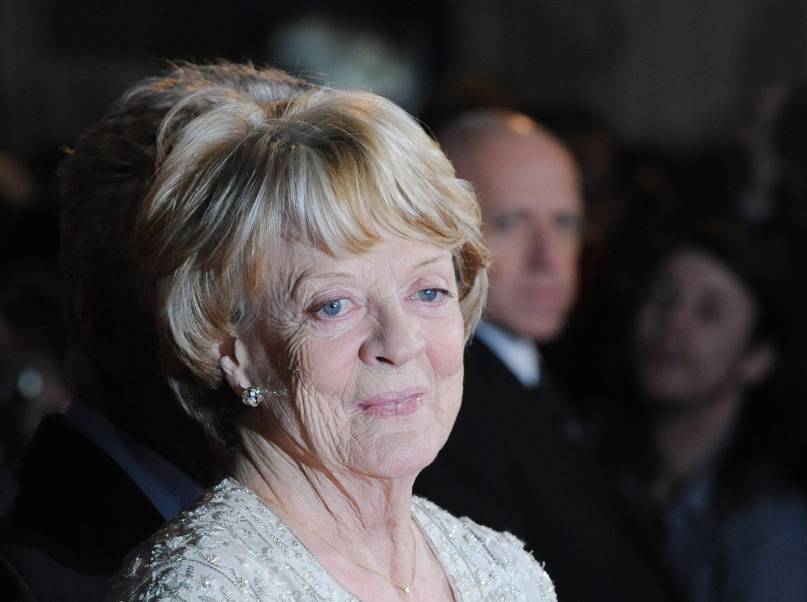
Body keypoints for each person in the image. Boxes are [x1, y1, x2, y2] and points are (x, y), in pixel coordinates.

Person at [108, 68, 555, 601]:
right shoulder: (206, 590)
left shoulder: (503, 571)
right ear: (232, 348)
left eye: (428, 292)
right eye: (334, 305)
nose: (401, 341)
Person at [0, 63, 314, 601]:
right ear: (104, 325)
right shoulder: (27, 576)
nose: (277, 350)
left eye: (317, 300)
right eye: (222, 306)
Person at [415, 110, 673, 601]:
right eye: (511, 222)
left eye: (565, 222)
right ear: (440, 231)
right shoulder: (446, 407)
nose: (547, 257)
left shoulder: (541, 371)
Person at [577, 219, 807, 601]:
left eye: (709, 312)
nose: (673, 321)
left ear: (757, 358)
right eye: (663, 298)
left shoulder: (778, 540)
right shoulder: (593, 462)